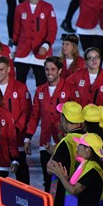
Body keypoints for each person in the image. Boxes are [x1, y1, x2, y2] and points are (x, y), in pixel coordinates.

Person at [25, 57, 81, 193]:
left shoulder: (70, 89)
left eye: (53, 69)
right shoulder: (40, 91)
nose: (49, 72)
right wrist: (27, 138)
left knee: (65, 177)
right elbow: (34, 116)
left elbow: (78, 114)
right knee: (47, 178)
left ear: (60, 70)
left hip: (64, 142)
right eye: (46, 69)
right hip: (45, 142)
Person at [48, 132, 103, 206]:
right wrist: (66, 178)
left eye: (80, 145)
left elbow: (74, 190)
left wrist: (60, 176)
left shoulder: (93, 170)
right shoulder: (88, 164)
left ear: (88, 150)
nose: (77, 146)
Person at [0, 56, 31, 184]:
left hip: (17, 137)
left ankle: (26, 201)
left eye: (1, 69)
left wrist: (15, 129)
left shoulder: (20, 87)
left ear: (8, 69)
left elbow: (26, 111)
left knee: (21, 172)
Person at [12, 0, 57, 87]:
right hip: (23, 52)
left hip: (40, 53)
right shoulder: (20, 8)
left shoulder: (48, 8)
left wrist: (46, 46)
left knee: (42, 85)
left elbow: (52, 30)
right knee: (19, 85)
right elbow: (16, 30)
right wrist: (14, 50)